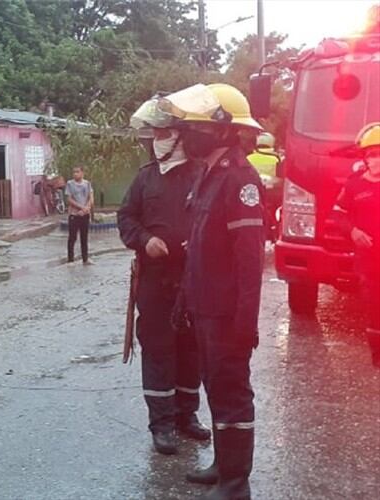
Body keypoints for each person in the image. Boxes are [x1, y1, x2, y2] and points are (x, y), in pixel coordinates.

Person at [166, 83, 265, 499]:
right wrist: (184, 299)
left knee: (232, 392)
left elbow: (249, 259)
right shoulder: (207, 175)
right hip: (206, 307)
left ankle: (236, 482)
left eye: (195, 126)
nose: (185, 134)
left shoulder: (239, 178)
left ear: (223, 129)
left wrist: (246, 320)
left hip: (227, 313)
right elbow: (200, 249)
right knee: (214, 387)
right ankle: (223, 466)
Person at [118, 96, 211, 456]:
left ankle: (187, 417)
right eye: (154, 132)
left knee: (191, 352)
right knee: (158, 351)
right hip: (155, 282)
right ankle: (162, 425)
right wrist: (146, 239)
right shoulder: (144, 179)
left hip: (193, 280)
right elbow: (126, 218)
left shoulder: (202, 174)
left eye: (164, 132)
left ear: (180, 136)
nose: (157, 138)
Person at [332, 123, 380, 367]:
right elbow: (338, 213)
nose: (377, 159)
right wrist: (353, 231)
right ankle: (377, 355)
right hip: (369, 259)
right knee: (374, 304)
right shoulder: (354, 185)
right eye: (372, 154)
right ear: (365, 158)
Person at [65, 166, 94, 264]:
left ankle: (85, 259)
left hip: (85, 215)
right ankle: (70, 260)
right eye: (74, 172)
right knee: (72, 238)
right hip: (74, 214)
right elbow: (69, 199)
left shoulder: (87, 184)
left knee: (84, 237)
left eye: (77, 172)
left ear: (82, 173)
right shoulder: (70, 184)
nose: (75, 174)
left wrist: (86, 208)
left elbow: (91, 198)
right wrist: (81, 207)